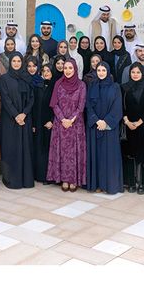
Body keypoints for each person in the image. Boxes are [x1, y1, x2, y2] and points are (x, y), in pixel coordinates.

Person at [47, 59, 86, 192]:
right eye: (65, 68)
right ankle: (64, 179)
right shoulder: (58, 84)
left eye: (70, 68)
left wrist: (71, 120)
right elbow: (54, 104)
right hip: (60, 124)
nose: (68, 71)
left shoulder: (81, 85)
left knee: (74, 152)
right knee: (63, 152)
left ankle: (73, 180)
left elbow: (81, 106)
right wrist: (63, 119)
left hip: (76, 124)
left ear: (75, 69)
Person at [85, 61, 124, 194]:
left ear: (108, 72)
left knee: (109, 156)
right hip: (94, 126)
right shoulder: (92, 85)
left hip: (109, 128)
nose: (101, 73)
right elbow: (88, 105)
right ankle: (97, 184)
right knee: (96, 155)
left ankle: (109, 185)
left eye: (103, 70)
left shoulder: (115, 87)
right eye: (99, 70)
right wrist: (96, 120)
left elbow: (117, 107)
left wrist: (106, 122)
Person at [0, 53, 35, 189]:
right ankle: (11, 179)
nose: (16, 63)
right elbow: (5, 99)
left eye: (19, 61)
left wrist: (24, 114)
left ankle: (26, 179)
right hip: (10, 120)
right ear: (10, 62)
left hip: (25, 119)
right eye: (14, 61)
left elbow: (32, 98)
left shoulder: (27, 78)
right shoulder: (4, 79)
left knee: (25, 149)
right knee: (11, 149)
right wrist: (16, 115)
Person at [121, 63, 144, 194]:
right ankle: (130, 182)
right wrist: (127, 121)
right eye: (133, 72)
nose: (135, 75)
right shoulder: (123, 88)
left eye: (138, 72)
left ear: (142, 74)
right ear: (129, 73)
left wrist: (138, 123)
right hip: (128, 126)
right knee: (129, 154)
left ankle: (141, 183)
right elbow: (121, 107)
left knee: (142, 154)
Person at [30, 60, 54, 184]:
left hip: (50, 123)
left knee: (48, 149)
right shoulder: (38, 86)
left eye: (48, 71)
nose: (46, 73)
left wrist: (52, 121)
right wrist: (34, 124)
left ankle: (48, 176)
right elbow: (34, 106)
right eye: (44, 71)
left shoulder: (56, 87)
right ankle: (39, 175)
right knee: (39, 149)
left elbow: (58, 105)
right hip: (39, 122)